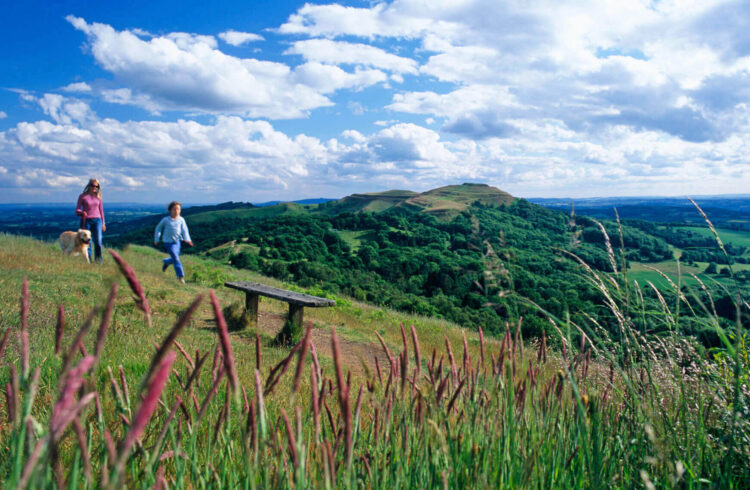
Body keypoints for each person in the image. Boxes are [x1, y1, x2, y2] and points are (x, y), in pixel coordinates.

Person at [154, 201, 193, 284]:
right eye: (174, 209)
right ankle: (180, 277)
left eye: (178, 209)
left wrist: (188, 239)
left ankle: (167, 261)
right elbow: (158, 228)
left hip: (177, 243)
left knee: (175, 258)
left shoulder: (181, 220)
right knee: (176, 258)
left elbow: (185, 230)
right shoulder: (166, 220)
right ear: (170, 210)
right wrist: (157, 239)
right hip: (168, 242)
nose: (176, 211)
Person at [75, 178, 106, 264]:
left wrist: (103, 223)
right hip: (86, 220)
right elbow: (77, 210)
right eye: (93, 185)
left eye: (97, 186)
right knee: (87, 241)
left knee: (98, 241)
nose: (94, 187)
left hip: (97, 221)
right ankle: (88, 261)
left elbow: (101, 211)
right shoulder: (82, 196)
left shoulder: (98, 197)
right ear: (89, 185)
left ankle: (98, 262)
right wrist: (81, 212)